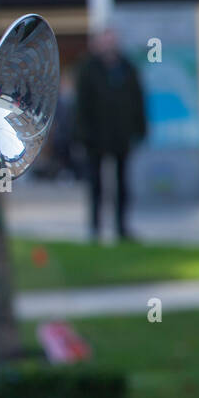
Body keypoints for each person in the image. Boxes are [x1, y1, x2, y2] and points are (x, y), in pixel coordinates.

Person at [72, 27, 147, 242]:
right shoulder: (87, 69)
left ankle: (122, 228)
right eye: (105, 41)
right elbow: (81, 107)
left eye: (111, 41)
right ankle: (95, 229)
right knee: (96, 185)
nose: (108, 46)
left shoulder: (127, 68)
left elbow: (137, 101)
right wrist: (82, 135)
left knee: (122, 184)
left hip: (121, 137)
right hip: (95, 139)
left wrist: (140, 129)